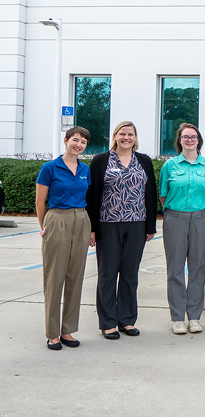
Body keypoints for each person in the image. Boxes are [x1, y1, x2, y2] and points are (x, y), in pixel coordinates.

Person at [87, 121, 157, 340]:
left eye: (130, 134)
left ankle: (126, 319)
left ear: (135, 137)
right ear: (115, 136)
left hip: (136, 224)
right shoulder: (101, 160)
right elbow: (91, 194)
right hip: (108, 224)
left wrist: (150, 225)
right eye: (122, 134)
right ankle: (107, 322)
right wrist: (91, 228)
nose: (126, 137)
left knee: (129, 274)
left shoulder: (143, 160)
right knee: (108, 274)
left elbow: (151, 193)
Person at [35, 126, 92, 350]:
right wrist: (45, 228)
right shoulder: (50, 168)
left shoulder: (85, 169)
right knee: (54, 277)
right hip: (57, 219)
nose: (79, 145)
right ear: (66, 140)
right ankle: (52, 333)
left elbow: (86, 195)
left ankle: (67, 329)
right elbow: (40, 202)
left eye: (83, 142)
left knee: (75, 277)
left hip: (81, 219)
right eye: (75, 140)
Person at [159, 123, 205, 335]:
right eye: (185, 137)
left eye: (193, 137)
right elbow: (164, 195)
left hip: (201, 218)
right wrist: (180, 209)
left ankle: (194, 317)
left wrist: (197, 210)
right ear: (180, 140)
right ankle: (177, 318)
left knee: (197, 268)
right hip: (175, 218)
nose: (190, 140)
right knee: (175, 269)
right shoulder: (169, 166)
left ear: (198, 140)